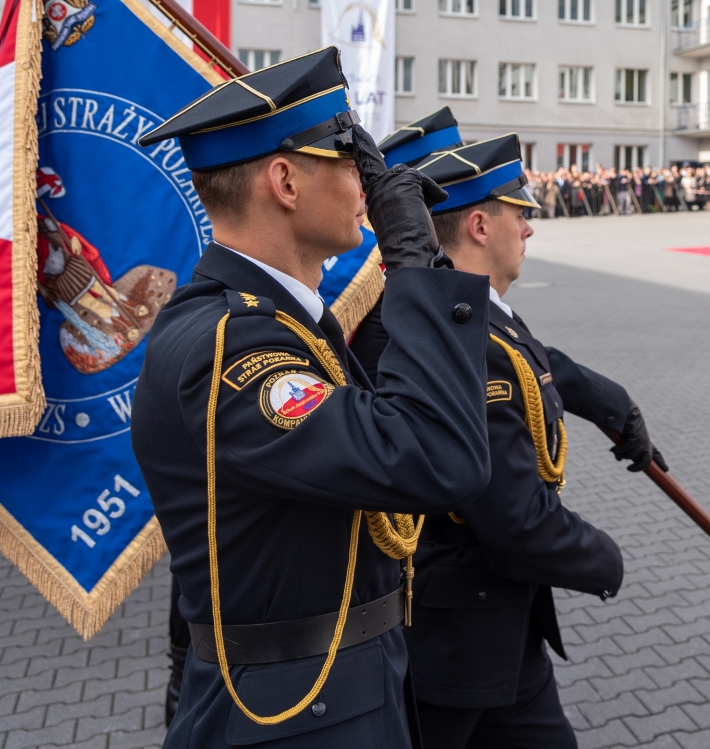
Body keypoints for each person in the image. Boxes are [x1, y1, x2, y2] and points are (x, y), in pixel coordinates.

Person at [131, 47, 493, 749]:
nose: (370, 185)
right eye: (352, 163)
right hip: (293, 716)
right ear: (286, 182)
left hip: (335, 692)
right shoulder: (232, 348)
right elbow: (436, 458)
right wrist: (415, 264)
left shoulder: (283, 323)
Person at [393, 128, 663, 749]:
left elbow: (537, 361)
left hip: (503, 628)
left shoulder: (475, 316)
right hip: (455, 639)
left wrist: (612, 403)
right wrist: (604, 558)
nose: (530, 229)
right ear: (480, 227)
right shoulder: (460, 337)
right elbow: (513, 519)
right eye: (520, 214)